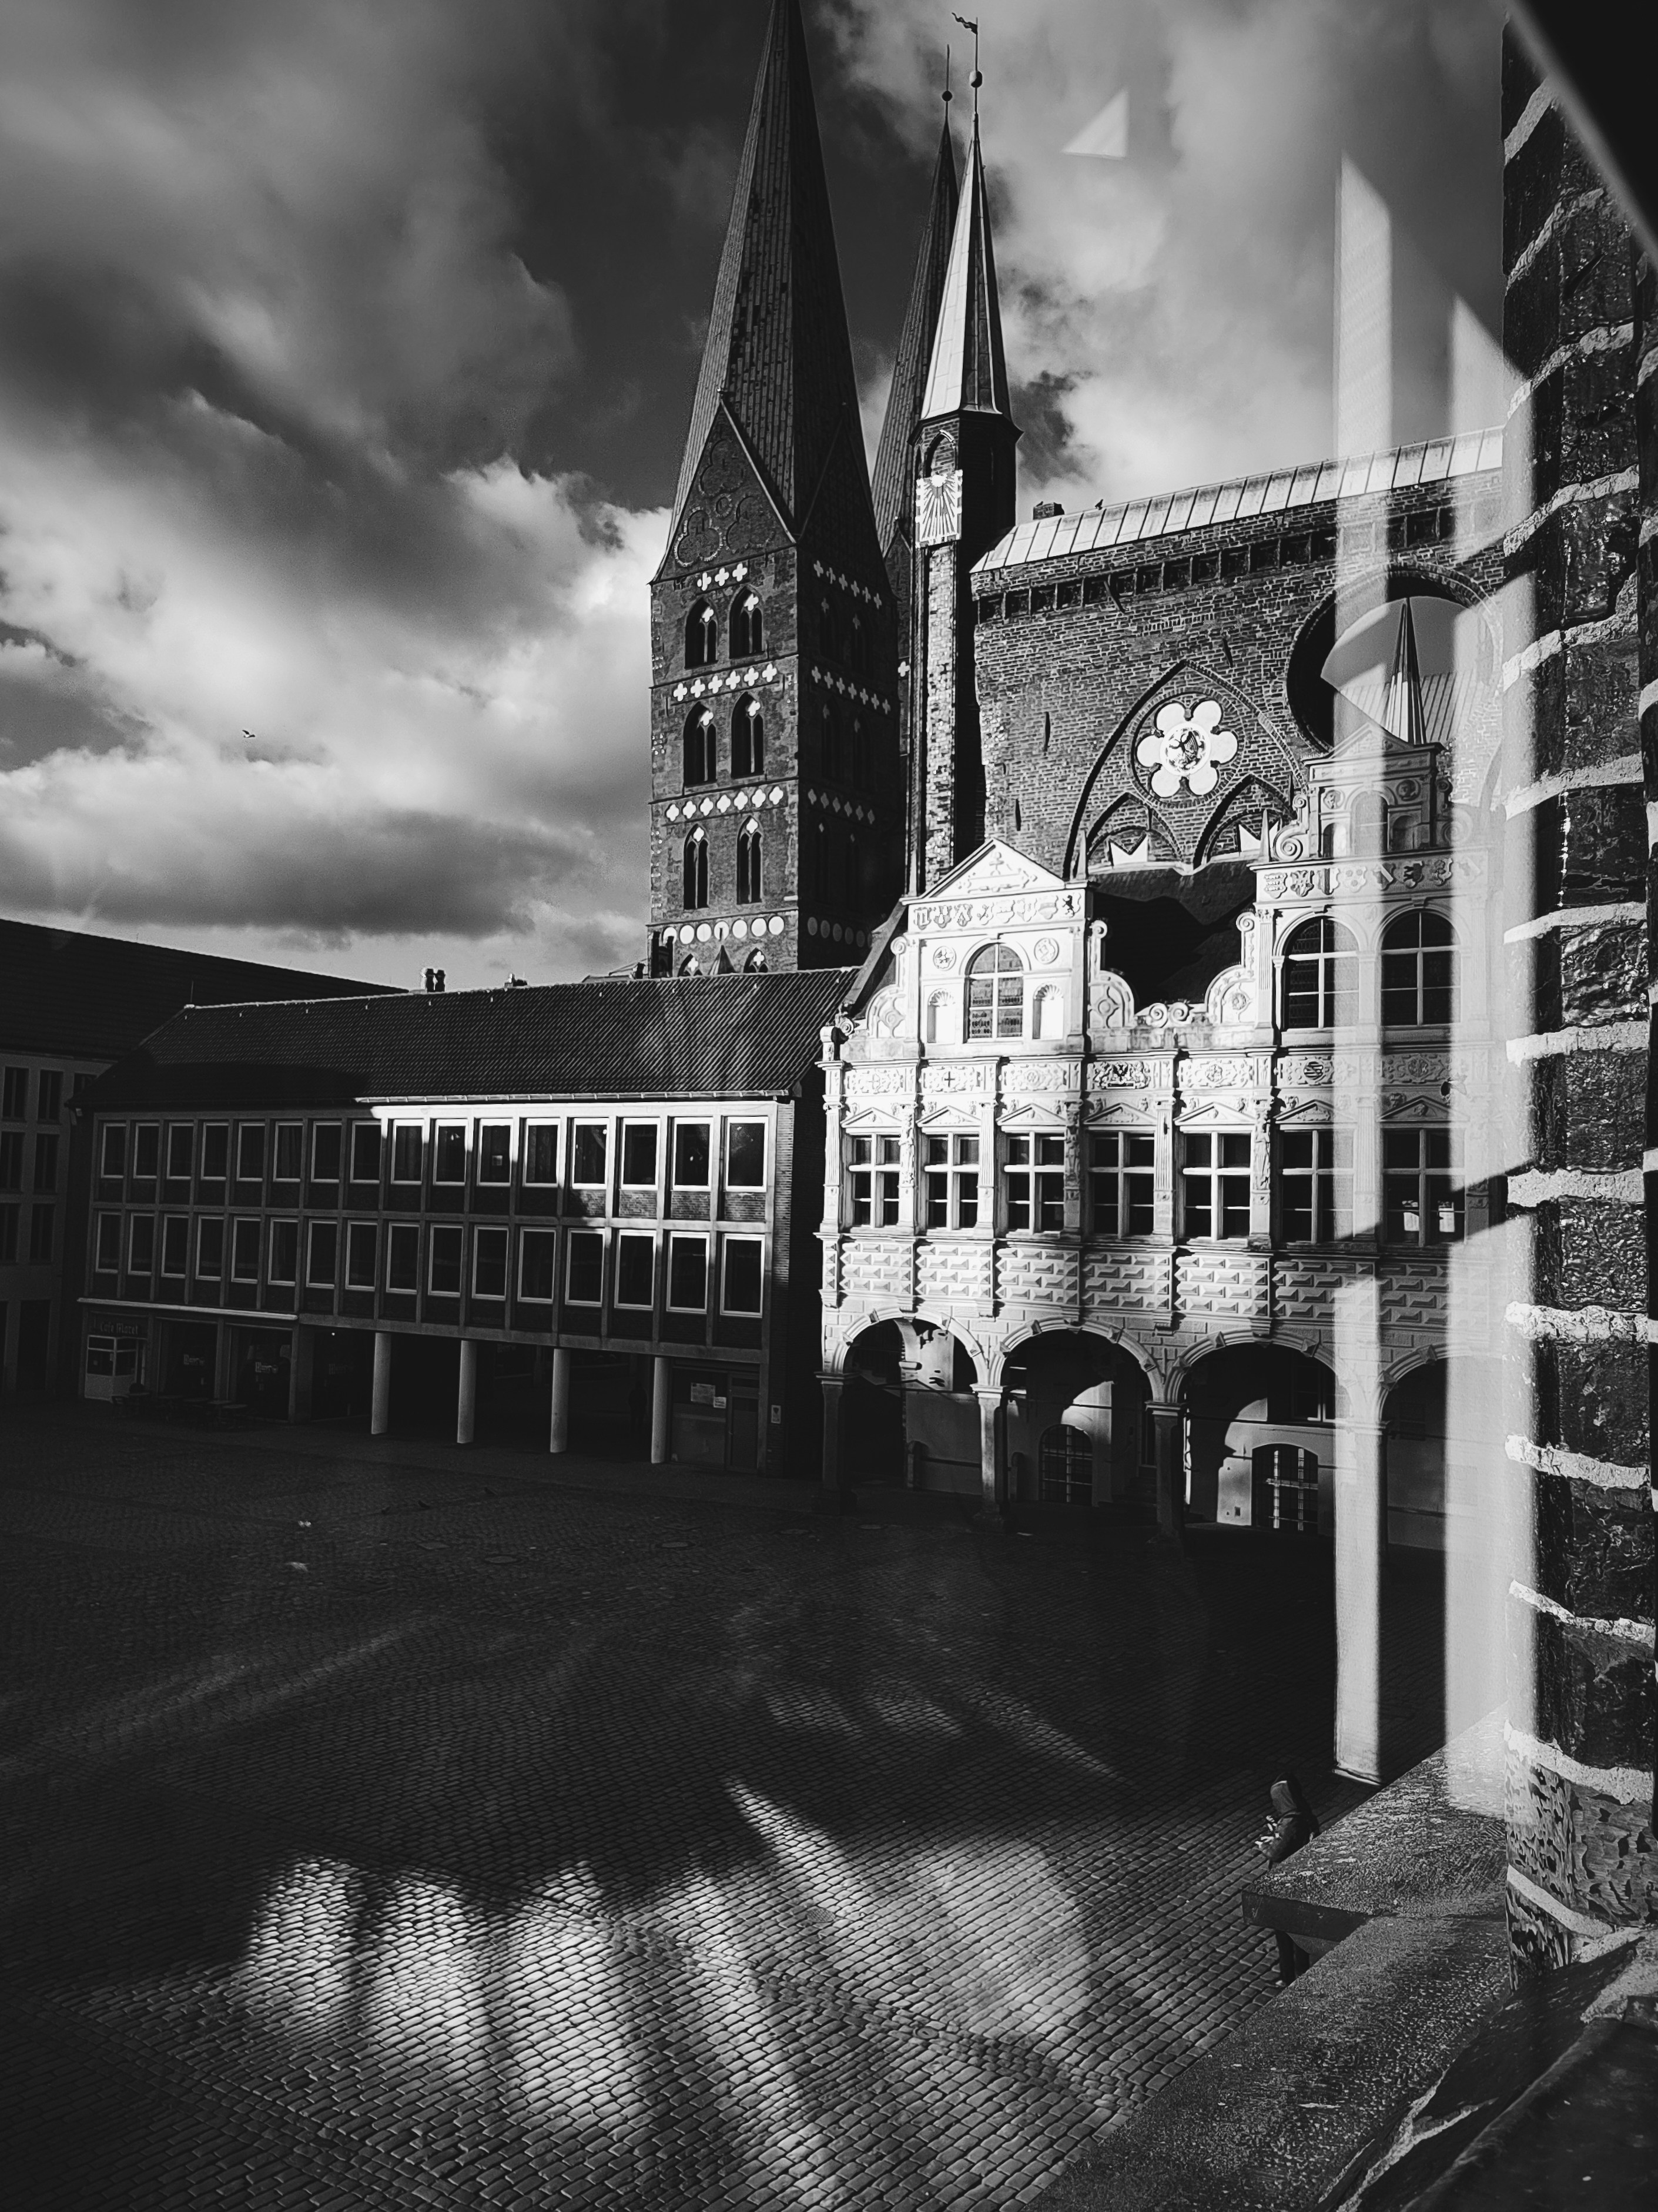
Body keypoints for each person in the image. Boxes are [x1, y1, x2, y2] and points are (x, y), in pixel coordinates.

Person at [1255, 1773, 1319, 1985]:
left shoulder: (1291, 1822)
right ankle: (1302, 1974)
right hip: (1302, 1887)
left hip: (1286, 1888)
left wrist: (1264, 1845)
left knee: (1284, 1936)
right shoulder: (1306, 1817)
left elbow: (1276, 1852)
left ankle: (1288, 1978)